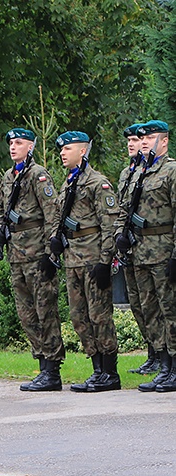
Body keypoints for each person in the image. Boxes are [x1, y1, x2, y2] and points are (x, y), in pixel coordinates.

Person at [0, 128, 64, 391]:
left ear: (30, 147)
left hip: (36, 253)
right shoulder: (10, 177)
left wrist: (50, 252)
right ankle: (41, 361)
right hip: (17, 255)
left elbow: (52, 214)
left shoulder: (38, 175)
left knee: (45, 310)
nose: (13, 147)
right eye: (10, 142)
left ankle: (52, 370)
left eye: (19, 143)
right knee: (26, 313)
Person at [48, 131, 120, 392]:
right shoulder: (69, 182)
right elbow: (59, 215)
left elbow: (109, 225)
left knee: (99, 316)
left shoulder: (97, 183)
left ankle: (110, 372)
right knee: (79, 318)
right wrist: (54, 243)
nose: (62, 153)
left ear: (82, 151)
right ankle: (96, 369)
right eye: (61, 149)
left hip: (92, 258)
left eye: (68, 149)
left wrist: (105, 261)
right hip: (73, 259)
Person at [114, 120, 176, 392]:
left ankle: (174, 367)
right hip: (140, 251)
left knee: (170, 311)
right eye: (144, 138)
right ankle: (164, 366)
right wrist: (121, 237)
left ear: (164, 141)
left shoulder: (171, 170)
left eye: (151, 138)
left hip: (163, 251)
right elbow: (125, 210)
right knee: (150, 312)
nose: (145, 142)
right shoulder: (141, 172)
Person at [118, 124, 158, 375]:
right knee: (137, 304)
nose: (133, 144)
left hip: (152, 247)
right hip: (131, 247)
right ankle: (152, 351)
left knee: (154, 303)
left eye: (137, 139)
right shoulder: (128, 173)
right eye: (131, 140)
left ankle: (161, 354)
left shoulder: (151, 171)